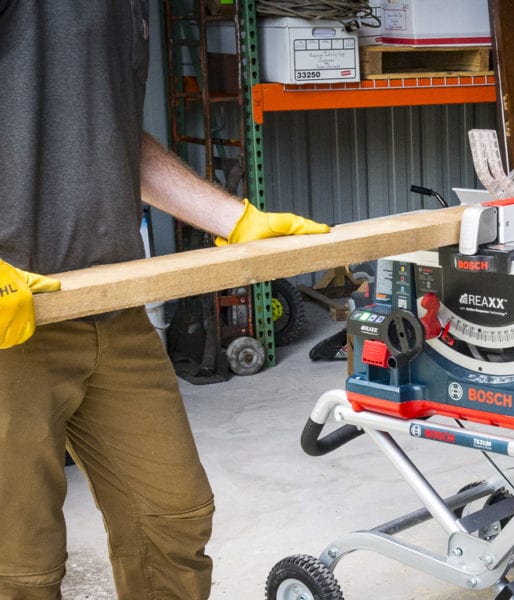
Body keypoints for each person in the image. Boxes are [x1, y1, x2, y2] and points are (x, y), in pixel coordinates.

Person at [0, 2, 329, 598]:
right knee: (19, 565)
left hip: (112, 303)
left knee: (173, 519)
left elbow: (111, 137)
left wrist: (234, 219)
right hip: (11, 321)